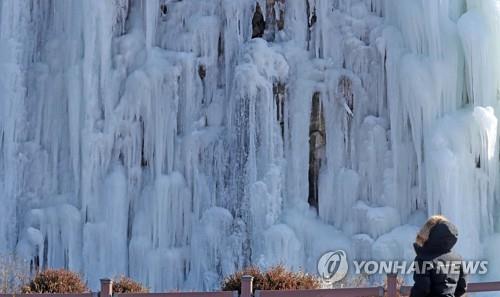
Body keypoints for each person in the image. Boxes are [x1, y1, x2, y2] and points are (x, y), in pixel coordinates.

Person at [410, 215, 467, 297]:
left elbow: (422, 289)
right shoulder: (458, 258)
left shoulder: (423, 259)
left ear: (429, 234)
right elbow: (462, 288)